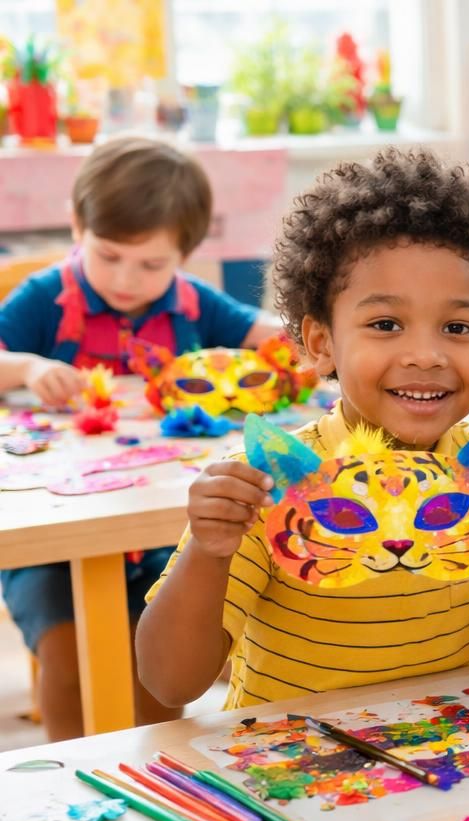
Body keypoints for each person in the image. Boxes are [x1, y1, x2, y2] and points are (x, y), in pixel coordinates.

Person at [135, 147, 469, 709]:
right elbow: (169, 682)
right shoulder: (273, 480)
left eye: (457, 326)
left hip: (439, 754)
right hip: (288, 767)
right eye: (385, 324)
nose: (425, 354)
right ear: (322, 343)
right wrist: (209, 550)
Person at [0, 136, 275, 739]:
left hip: (163, 520)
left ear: (186, 253)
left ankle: (159, 759)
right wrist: (27, 368)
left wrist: (308, 345)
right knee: (69, 653)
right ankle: (72, 776)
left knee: (160, 644)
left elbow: (268, 335)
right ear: (78, 227)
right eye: (109, 256)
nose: (127, 279)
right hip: (57, 530)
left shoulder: (192, 303)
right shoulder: (46, 298)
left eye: (152, 265)